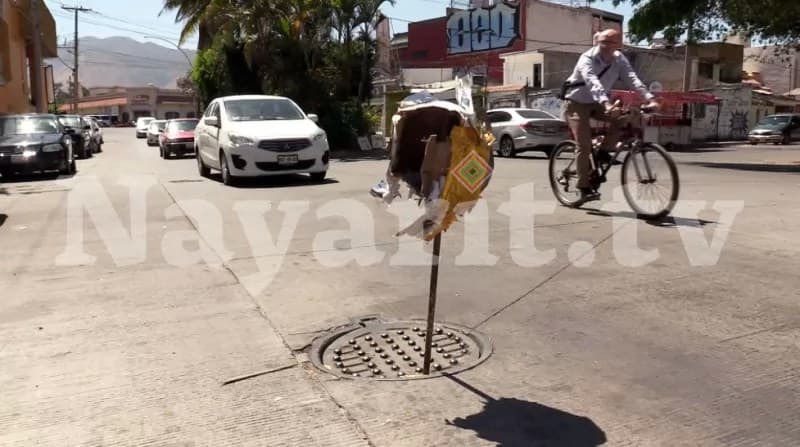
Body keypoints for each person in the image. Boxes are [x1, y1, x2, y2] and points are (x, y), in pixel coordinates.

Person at [562, 28, 660, 203]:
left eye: (610, 42)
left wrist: (649, 98)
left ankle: (604, 150)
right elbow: (593, 81)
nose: (606, 46)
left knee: (624, 116)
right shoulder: (587, 58)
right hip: (576, 103)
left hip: (597, 103)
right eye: (603, 42)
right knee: (583, 146)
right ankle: (584, 187)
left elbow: (632, 78)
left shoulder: (619, 59)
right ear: (597, 42)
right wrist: (606, 103)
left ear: (618, 45)